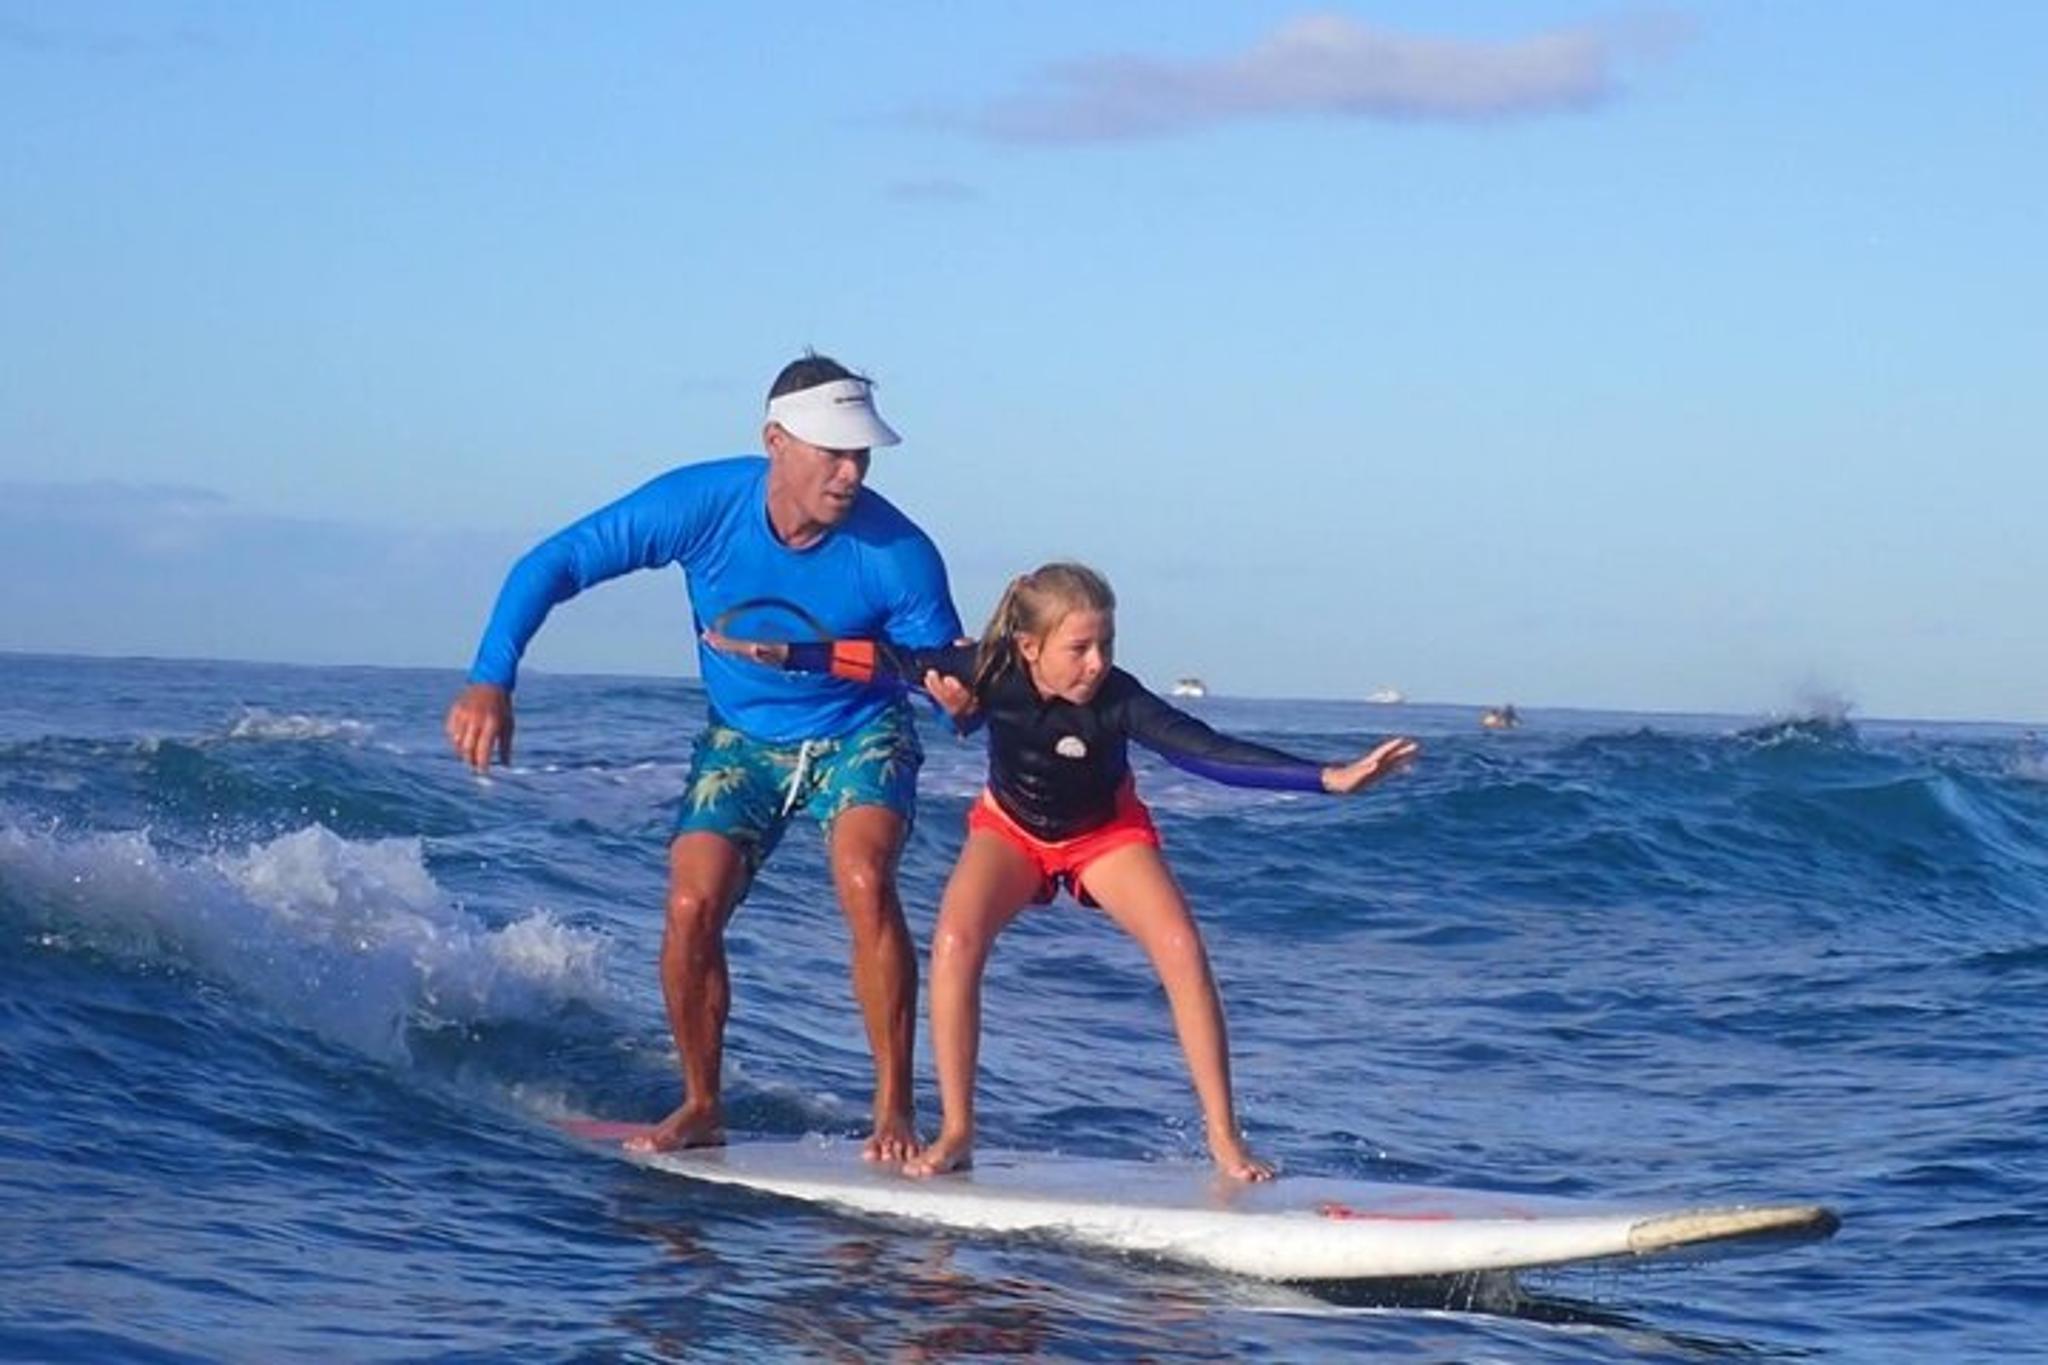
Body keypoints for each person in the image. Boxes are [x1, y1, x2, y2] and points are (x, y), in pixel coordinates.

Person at [708, 562, 1419, 1181]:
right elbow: (883, 660)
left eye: (1106, 643)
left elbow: (1205, 749)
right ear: (1029, 646)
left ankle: (1225, 1138)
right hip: (1011, 831)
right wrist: (782, 651)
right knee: (955, 941)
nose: (1096, 661)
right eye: (1079, 646)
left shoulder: (1119, 698)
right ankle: (957, 1130)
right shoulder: (988, 670)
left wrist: (1326, 777)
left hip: (1104, 835)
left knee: (1181, 948)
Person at [445, 354, 963, 1161]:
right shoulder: (702, 504)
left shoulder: (898, 552)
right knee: (691, 905)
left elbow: (942, 676)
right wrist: (490, 679)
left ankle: (894, 1108)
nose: (849, 470)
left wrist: (959, 695)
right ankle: (701, 1103)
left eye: (861, 453)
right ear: (774, 441)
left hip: (861, 729)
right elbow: (555, 562)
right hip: (742, 736)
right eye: (832, 450)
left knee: (864, 875)